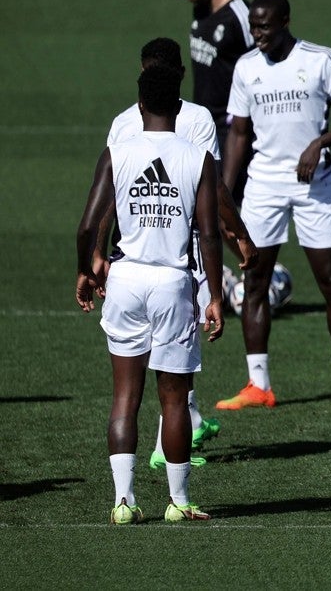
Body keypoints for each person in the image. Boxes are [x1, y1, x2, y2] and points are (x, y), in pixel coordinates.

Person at [77, 63, 222, 523]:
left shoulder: (117, 151)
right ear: (178, 106)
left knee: (125, 397)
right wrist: (214, 295)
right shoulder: (197, 155)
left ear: (139, 105)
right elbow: (210, 233)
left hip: (124, 281)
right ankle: (178, 503)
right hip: (173, 284)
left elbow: (87, 226)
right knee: (174, 399)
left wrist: (87, 269)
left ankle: (123, 502)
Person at [106, 38, 257, 469]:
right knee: (176, 363)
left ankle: (130, 487)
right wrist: (239, 234)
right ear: (181, 75)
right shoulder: (195, 118)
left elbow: (107, 198)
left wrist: (99, 257)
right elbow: (214, 189)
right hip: (183, 250)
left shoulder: (121, 124)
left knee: (128, 383)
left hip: (128, 255)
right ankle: (169, 449)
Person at [217, 0, 331, 412]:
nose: (257, 35)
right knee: (254, 283)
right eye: (253, 28)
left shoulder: (320, 60)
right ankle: (258, 385)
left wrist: (319, 142)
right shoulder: (247, 68)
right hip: (264, 186)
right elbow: (238, 134)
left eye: (264, 27)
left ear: (285, 21)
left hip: (314, 187)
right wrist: (225, 193)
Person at [167, 0, 254, 172]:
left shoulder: (241, 17)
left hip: (232, 130)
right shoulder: (201, 9)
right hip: (202, 126)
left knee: (229, 201)